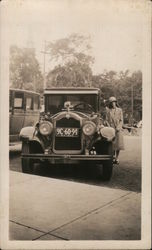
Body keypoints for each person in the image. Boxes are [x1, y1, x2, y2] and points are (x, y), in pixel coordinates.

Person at [106, 96, 124, 164]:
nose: (113, 103)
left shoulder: (120, 110)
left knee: (118, 144)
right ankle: (112, 157)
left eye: (114, 102)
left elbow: (121, 120)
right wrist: (109, 127)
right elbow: (106, 120)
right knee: (112, 144)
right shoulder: (108, 110)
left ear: (116, 102)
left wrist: (118, 127)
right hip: (111, 129)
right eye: (111, 102)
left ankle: (117, 158)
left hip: (118, 129)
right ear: (110, 103)